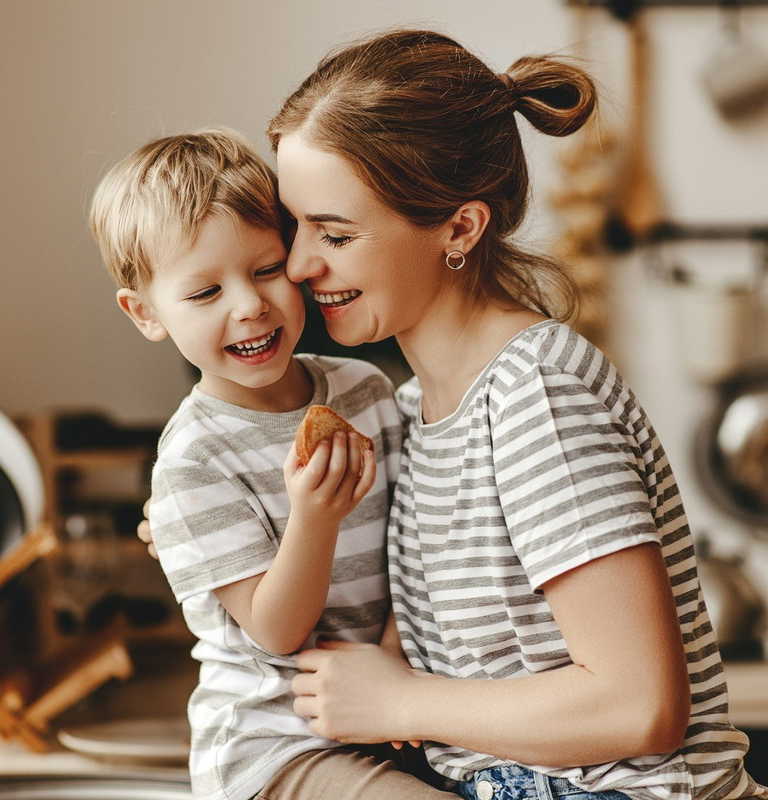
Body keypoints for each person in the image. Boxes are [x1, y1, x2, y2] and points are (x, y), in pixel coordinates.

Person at [141, 29, 768, 800]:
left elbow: (641, 707)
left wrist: (398, 701)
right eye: (297, 226)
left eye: (335, 234)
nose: (301, 266)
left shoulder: (535, 398)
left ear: (460, 229)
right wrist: (193, 523)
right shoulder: (410, 412)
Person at [89, 128, 457, 800]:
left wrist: (399, 663)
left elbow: (420, 544)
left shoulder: (365, 391)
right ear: (145, 314)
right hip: (276, 748)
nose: (250, 304)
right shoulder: (192, 462)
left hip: (393, 713)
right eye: (205, 294)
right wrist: (314, 517)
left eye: (265, 269)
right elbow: (277, 631)